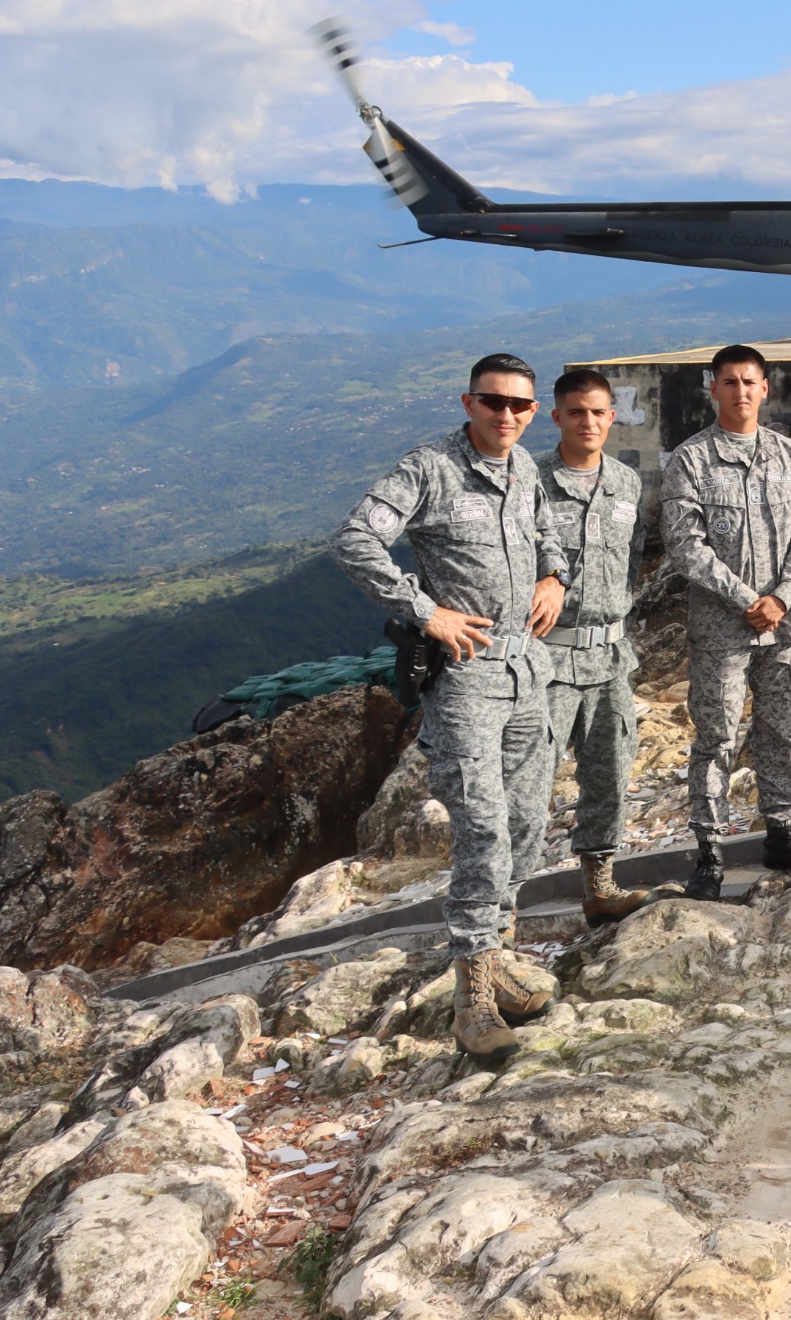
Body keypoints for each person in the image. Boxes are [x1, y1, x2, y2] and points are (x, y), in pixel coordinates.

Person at [332, 352, 568, 1056]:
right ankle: (473, 1000)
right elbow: (354, 539)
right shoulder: (430, 468)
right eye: (493, 402)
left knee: (528, 822)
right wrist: (424, 608)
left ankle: (499, 960)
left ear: (533, 410)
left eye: (521, 405)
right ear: (468, 403)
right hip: (466, 679)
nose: (507, 416)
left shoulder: (524, 467)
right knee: (484, 829)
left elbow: (543, 527)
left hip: (528, 669)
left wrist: (556, 574)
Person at [663, 345, 791, 899]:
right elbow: (685, 547)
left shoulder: (789, 456)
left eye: (750, 382)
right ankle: (710, 853)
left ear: (766, 389)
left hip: (784, 628)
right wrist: (747, 598)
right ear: (712, 389)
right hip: (723, 630)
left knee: (779, 731)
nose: (741, 391)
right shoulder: (690, 461)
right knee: (716, 738)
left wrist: (783, 596)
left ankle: (782, 833)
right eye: (730, 382)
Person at [538, 369, 662, 926]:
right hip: (547, 659)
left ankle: (599, 887)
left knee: (610, 774)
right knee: (529, 784)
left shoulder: (625, 482)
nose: (588, 422)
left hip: (610, 656)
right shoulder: (530, 481)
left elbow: (631, 562)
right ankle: (500, 922)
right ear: (556, 415)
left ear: (612, 417)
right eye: (576, 412)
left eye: (598, 413)